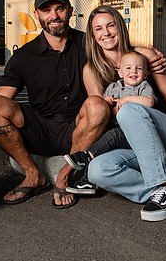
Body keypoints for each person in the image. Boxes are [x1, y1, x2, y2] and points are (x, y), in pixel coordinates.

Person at [0, 0, 166, 208]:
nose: (54, 16)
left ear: (70, 11)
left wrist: (149, 56)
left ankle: (65, 177)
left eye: (60, 9)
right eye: (46, 10)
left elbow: (120, 49)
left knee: (97, 104)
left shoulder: (90, 44)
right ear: (37, 15)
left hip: (81, 128)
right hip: (40, 129)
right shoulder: (24, 56)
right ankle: (33, 175)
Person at [82, 5, 166, 222]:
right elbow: (101, 116)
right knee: (97, 170)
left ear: (120, 27)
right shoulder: (91, 70)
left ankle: (164, 185)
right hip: (133, 143)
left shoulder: (145, 55)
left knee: (130, 109)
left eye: (111, 25)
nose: (106, 33)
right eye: (98, 29)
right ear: (93, 36)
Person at [65, 50, 156, 194]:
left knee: (113, 135)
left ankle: (86, 156)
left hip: (132, 132)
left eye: (139, 68)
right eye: (128, 68)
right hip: (112, 127)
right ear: (120, 73)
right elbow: (103, 108)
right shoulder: (113, 87)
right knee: (101, 141)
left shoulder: (143, 87)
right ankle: (88, 181)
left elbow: (149, 102)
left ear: (145, 74)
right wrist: (106, 102)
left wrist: (126, 100)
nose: (133, 71)